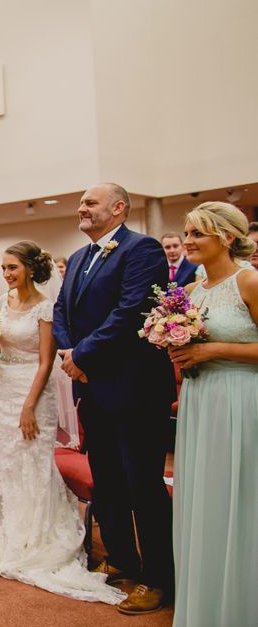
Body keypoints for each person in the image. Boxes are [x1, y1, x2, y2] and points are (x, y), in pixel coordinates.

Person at [0, 241, 125, 604]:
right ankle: (16, 534)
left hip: (33, 389)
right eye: (4, 268)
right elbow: (0, 347)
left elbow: (45, 361)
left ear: (29, 268)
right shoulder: (2, 302)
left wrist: (29, 405)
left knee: (35, 460)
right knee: (10, 460)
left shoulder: (45, 306)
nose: (7, 274)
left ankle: (43, 537)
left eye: (13, 267)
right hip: (3, 386)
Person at [53, 183, 176, 615]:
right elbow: (61, 312)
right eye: (82, 202)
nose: (81, 208)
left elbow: (131, 312)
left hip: (135, 386)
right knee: (107, 480)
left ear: (118, 208)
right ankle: (123, 559)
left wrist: (83, 355)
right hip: (93, 385)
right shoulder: (82, 256)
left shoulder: (142, 250)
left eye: (90, 202)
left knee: (143, 484)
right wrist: (70, 353)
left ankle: (160, 577)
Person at [168, 202, 258, 627]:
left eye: (197, 233)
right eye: (186, 233)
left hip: (241, 398)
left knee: (238, 498)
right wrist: (179, 353)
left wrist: (213, 349)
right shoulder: (191, 291)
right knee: (204, 497)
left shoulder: (250, 282)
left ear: (226, 237)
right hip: (201, 399)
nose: (187, 241)